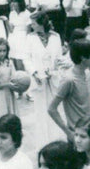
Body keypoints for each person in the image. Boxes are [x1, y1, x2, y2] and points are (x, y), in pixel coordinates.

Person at [26, 11, 66, 149]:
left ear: (42, 24)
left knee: (55, 108)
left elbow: (60, 57)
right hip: (39, 80)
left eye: (33, 23)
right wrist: (34, 72)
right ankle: (43, 144)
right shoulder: (30, 38)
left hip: (54, 79)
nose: (31, 26)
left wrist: (56, 71)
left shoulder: (56, 37)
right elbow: (27, 58)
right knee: (41, 111)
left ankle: (57, 140)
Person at [48, 38, 90, 142]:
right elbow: (51, 109)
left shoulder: (87, 74)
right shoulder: (68, 80)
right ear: (83, 57)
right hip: (77, 136)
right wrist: (68, 132)